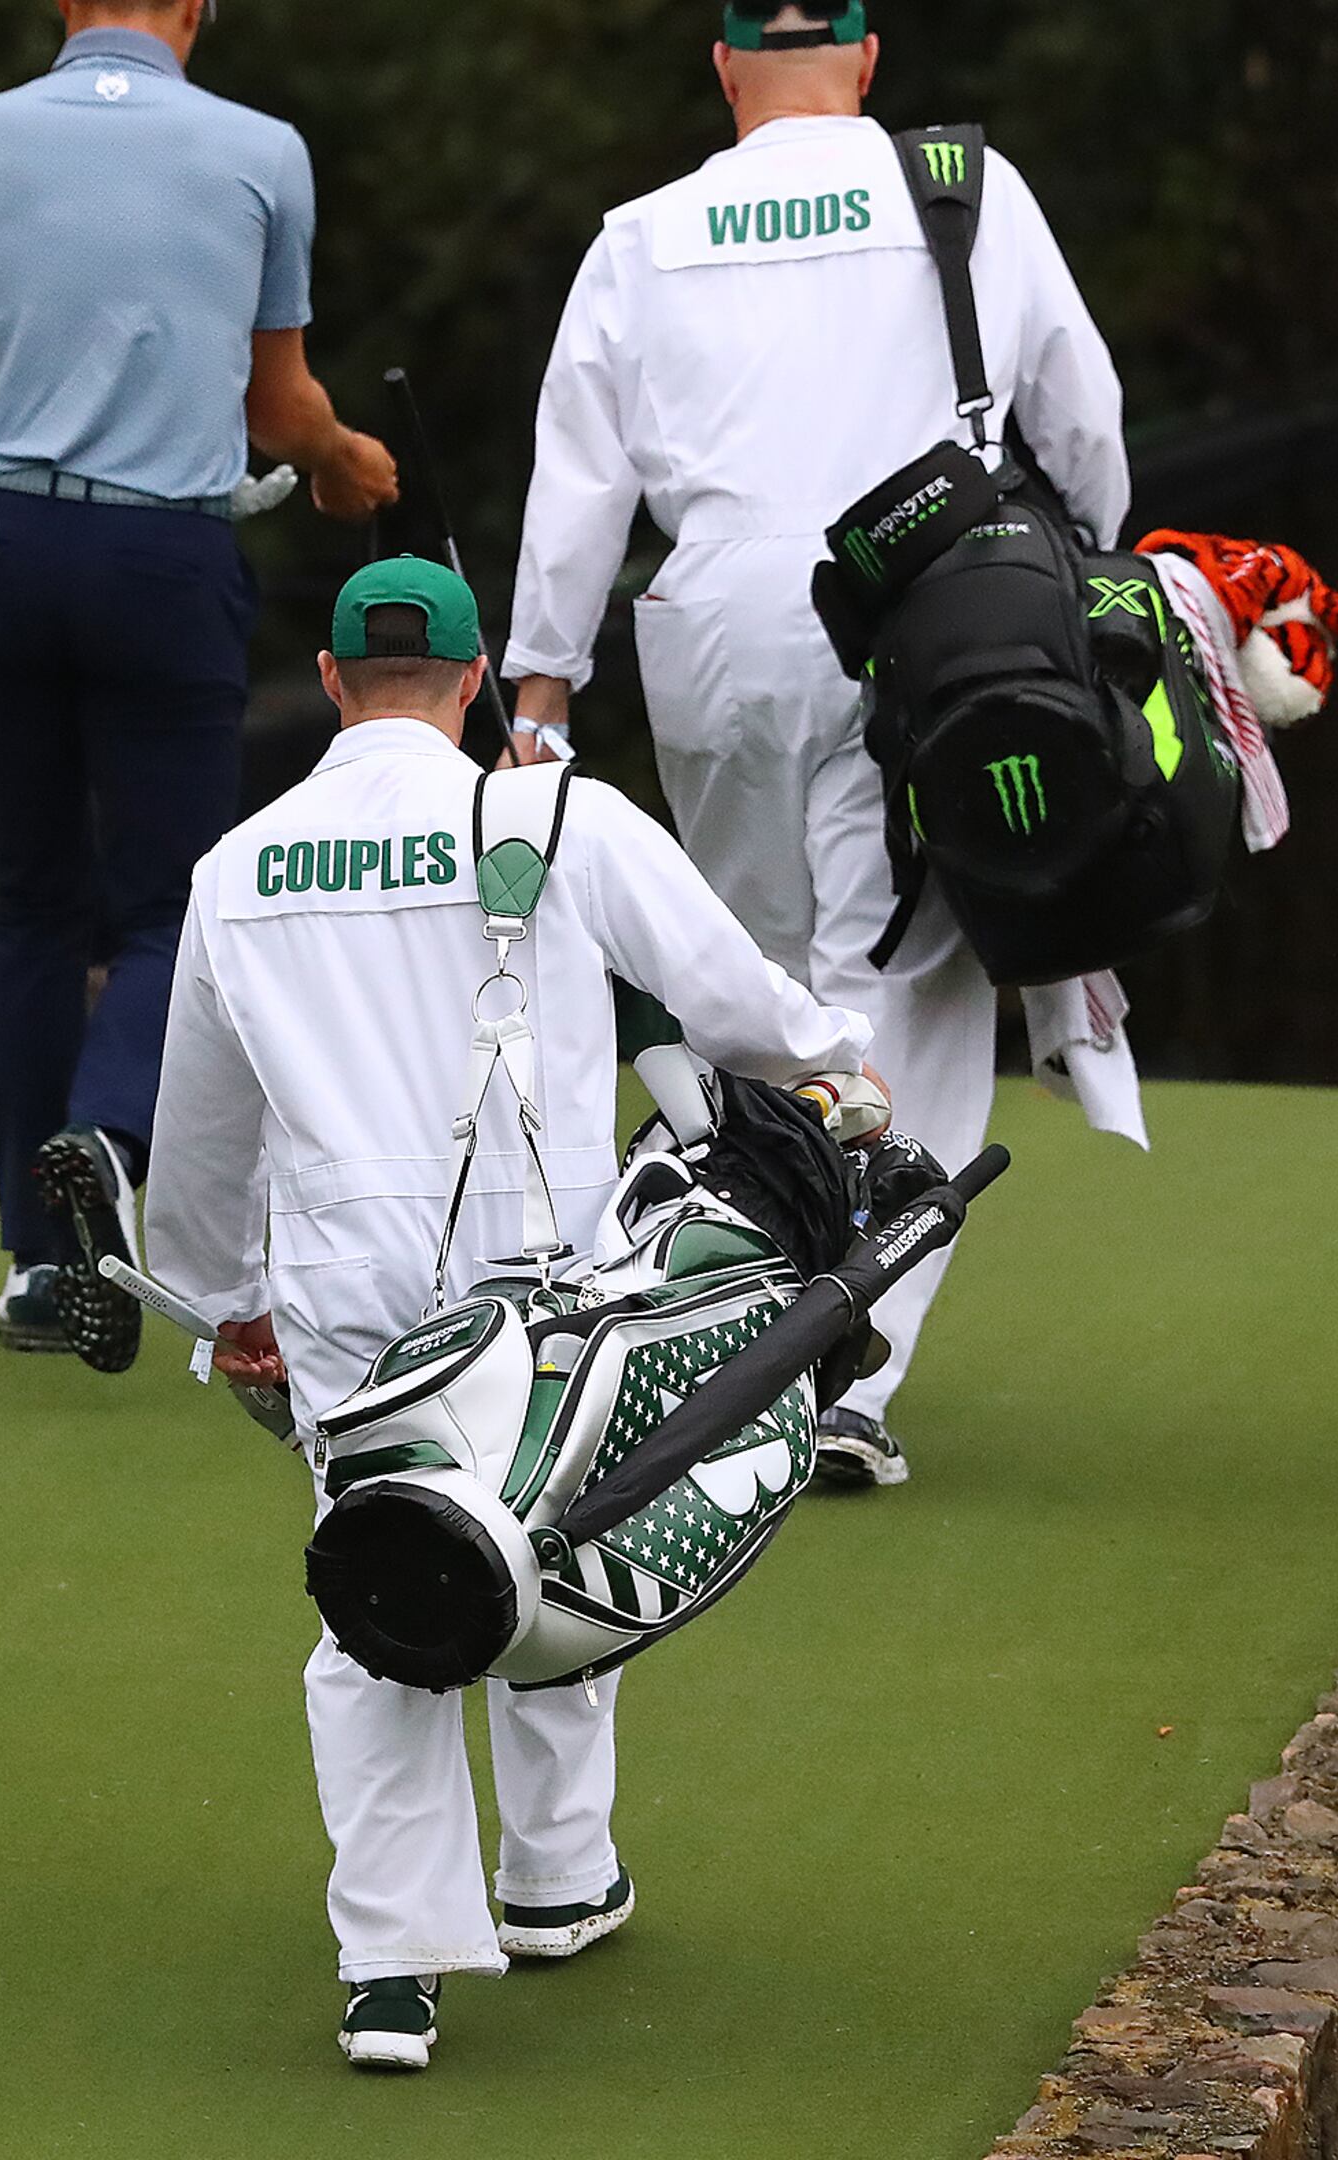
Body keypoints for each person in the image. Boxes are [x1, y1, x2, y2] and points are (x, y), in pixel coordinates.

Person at [143, 560, 875, 2071]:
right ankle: (553, 1878)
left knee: (387, 1577)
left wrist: (219, 1304)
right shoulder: (562, 817)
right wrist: (839, 1065)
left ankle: (392, 1967)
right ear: (476, 681)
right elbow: (733, 1001)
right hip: (542, 1252)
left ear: (335, 683)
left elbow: (201, 1131)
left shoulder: (239, 867)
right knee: (573, 1511)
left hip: (345, 1274)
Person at [502, 0, 1127, 1492]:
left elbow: (577, 477)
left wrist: (539, 693)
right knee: (901, 973)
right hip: (918, 608)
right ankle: (844, 1372)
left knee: (742, 970)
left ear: (722, 68)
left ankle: (734, 1315)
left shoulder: (643, 230)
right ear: (865, 60)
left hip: (709, 614)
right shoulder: (959, 194)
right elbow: (1081, 414)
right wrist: (1090, 577)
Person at [0, 0, 403, 1369]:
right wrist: (343, 461)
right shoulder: (261, 149)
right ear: (196, 10)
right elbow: (279, 403)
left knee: (29, 896)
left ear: (64, 6)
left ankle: (30, 1265)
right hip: (157, 555)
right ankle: (107, 1128)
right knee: (173, 899)